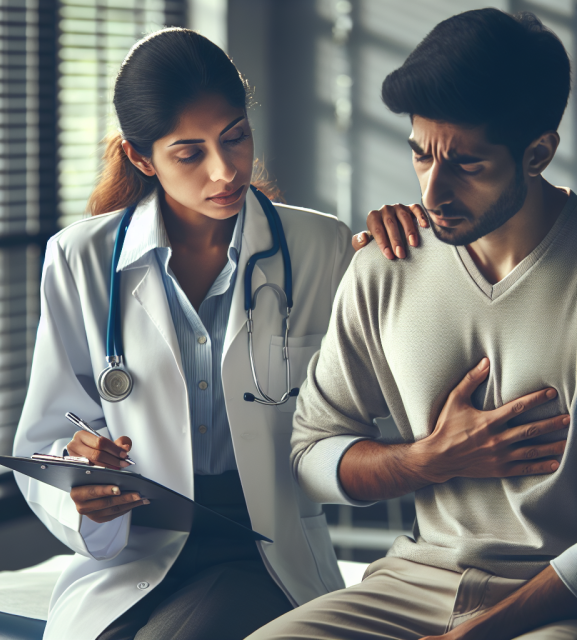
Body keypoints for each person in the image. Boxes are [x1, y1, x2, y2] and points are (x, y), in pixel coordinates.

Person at [12, 27, 416, 640]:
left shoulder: (319, 246)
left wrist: (405, 254)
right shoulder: (79, 259)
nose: (226, 171)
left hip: (263, 546)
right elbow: (47, 433)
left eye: (235, 137)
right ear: (142, 159)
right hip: (135, 546)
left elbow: (376, 404)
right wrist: (80, 484)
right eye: (190, 153)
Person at [247, 9, 577, 640]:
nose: (432, 191)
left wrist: (474, 634)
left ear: (537, 153)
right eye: (422, 157)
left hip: (557, 598)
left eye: (467, 165)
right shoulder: (386, 266)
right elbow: (311, 454)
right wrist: (428, 460)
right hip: (418, 580)